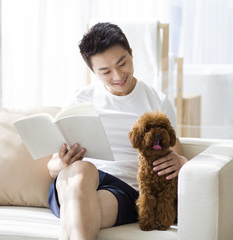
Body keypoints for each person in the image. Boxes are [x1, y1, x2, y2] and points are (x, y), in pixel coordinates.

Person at [47, 22, 188, 240]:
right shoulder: (79, 100)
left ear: (131, 53)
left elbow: (174, 156)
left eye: (123, 63)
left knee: (79, 210)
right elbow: (52, 167)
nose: (118, 76)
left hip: (123, 191)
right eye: (105, 71)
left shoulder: (156, 101)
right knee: (83, 170)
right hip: (73, 180)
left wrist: (182, 163)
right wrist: (62, 163)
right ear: (93, 71)